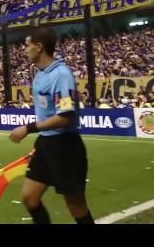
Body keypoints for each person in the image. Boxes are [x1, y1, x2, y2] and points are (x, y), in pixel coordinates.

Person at [8, 26, 94, 224]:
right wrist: (42, 142)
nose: (24, 49)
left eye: (27, 45)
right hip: (47, 143)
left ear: (39, 47)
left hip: (66, 147)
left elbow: (64, 117)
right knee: (30, 198)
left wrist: (28, 128)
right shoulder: (40, 74)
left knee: (76, 205)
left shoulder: (61, 75)